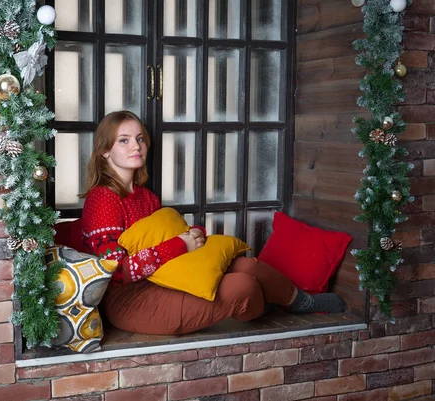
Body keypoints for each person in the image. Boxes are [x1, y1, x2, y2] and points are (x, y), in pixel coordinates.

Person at [80, 110, 345, 335]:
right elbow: (114, 273)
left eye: (140, 139)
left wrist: (193, 236)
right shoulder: (102, 199)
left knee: (246, 264)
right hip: (130, 301)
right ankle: (258, 303)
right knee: (244, 285)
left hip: (165, 279)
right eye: (124, 141)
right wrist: (179, 245)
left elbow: (170, 242)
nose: (136, 146)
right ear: (105, 151)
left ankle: (300, 301)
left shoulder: (147, 197)